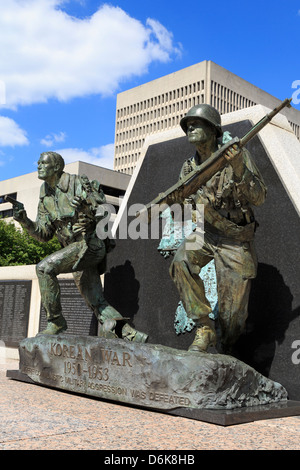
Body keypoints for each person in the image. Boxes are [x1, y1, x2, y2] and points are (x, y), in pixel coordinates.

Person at [13, 151, 147, 342]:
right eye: (38, 163)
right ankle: (131, 336)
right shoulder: (46, 195)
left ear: (57, 167)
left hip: (90, 244)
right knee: (96, 301)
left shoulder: (78, 183)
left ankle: (56, 322)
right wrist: (24, 220)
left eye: (43, 163)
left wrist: (87, 209)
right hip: (75, 250)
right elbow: (44, 235)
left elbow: (103, 211)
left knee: (44, 268)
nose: (38, 166)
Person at [169, 104, 267, 354]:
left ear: (213, 130)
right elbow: (181, 209)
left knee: (232, 317)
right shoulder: (188, 168)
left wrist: (238, 169)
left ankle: (228, 348)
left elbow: (259, 198)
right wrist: (177, 203)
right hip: (206, 234)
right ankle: (204, 328)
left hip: (235, 238)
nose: (190, 127)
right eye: (187, 124)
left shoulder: (236, 155)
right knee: (180, 262)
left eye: (196, 123)